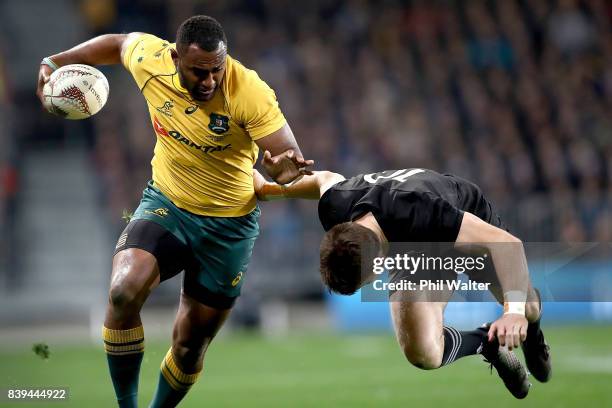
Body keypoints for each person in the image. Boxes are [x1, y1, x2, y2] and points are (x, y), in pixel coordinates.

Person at [36, 16, 313, 408]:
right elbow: (117, 44)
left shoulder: (249, 91)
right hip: (167, 203)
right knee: (122, 290)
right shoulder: (151, 58)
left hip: (229, 227)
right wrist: (55, 60)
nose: (210, 81)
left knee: (189, 347)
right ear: (175, 58)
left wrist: (282, 170)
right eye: (199, 72)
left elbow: (289, 160)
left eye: (217, 69)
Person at [254, 167, 551, 399]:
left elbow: (506, 244)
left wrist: (512, 312)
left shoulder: (421, 209)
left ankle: (533, 328)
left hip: (464, 225)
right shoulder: (335, 207)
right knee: (423, 352)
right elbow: (324, 179)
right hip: (410, 246)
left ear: (378, 263)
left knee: (526, 306)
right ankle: (488, 345)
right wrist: (268, 190)